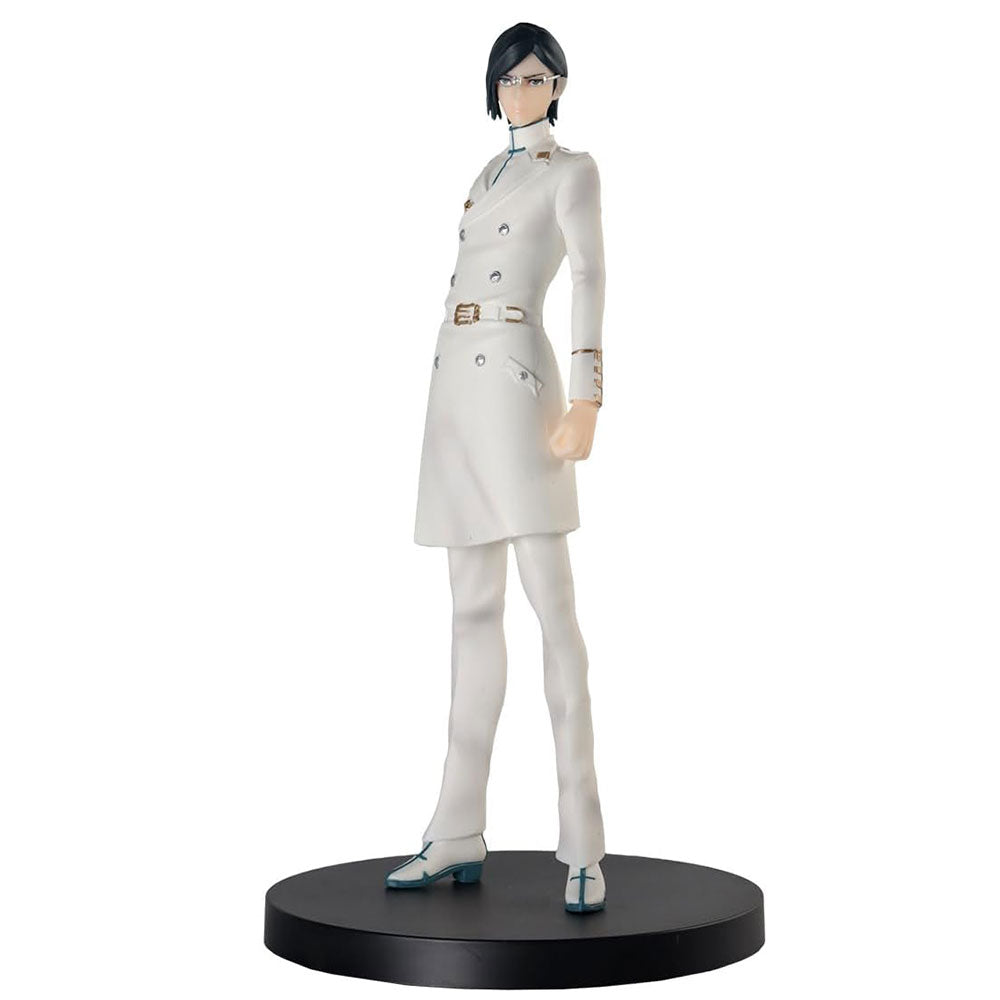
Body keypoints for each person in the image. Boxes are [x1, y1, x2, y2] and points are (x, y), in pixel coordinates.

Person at [385, 22, 607, 913]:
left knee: (554, 613)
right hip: (456, 393)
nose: (523, 90)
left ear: (559, 86)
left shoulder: (571, 171)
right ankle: (456, 827)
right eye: (511, 78)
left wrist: (587, 395)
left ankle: (584, 842)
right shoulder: (485, 177)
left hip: (518, 390)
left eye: (538, 77)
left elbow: (589, 276)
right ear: (493, 87)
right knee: (470, 612)